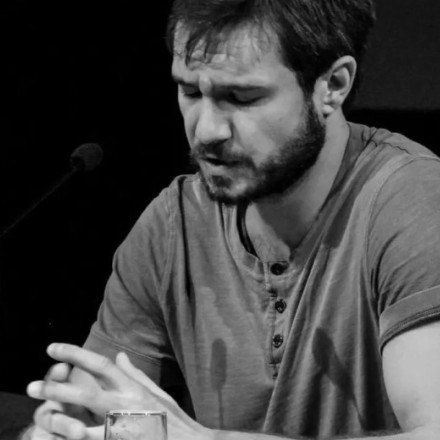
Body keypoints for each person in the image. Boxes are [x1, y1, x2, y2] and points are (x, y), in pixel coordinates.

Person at [25, 1, 440, 440]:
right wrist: (62, 429)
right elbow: (102, 414)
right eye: (190, 92)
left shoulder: (412, 200)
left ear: (332, 85)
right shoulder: (174, 225)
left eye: (241, 98)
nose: (206, 130)